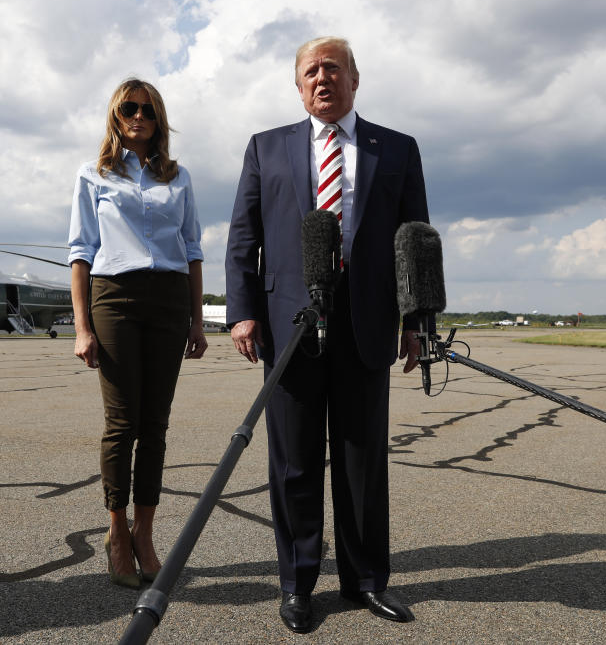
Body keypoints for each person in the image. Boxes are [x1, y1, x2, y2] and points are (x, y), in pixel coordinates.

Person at [225, 36, 429, 633]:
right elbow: (244, 237)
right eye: (311, 71)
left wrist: (415, 321)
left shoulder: (396, 149)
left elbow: (413, 240)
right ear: (297, 84)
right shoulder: (267, 148)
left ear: (355, 79)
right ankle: (297, 583)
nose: (322, 79)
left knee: (362, 460)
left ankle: (366, 580)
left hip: (366, 324)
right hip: (289, 323)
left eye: (333, 69)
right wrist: (241, 312)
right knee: (293, 461)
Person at [68, 78, 208, 589]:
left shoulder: (180, 176)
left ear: (159, 117)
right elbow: (80, 252)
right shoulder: (93, 174)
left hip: (169, 300)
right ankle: (115, 533)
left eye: (147, 110)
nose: (138, 116)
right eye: (129, 108)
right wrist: (82, 327)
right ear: (115, 115)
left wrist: (196, 319)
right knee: (122, 421)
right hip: (115, 298)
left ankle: (145, 533)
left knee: (156, 424)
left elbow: (192, 250)